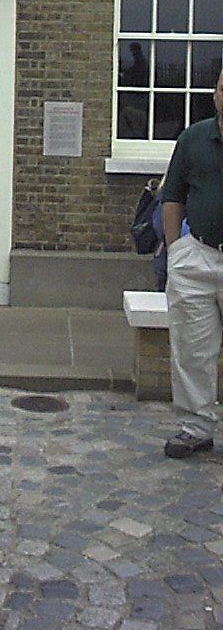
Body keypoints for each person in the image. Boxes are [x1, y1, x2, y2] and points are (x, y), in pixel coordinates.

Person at [162, 67, 223, 458]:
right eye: (222, 87)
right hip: (197, 256)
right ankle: (197, 427)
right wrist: (175, 251)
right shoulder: (194, 138)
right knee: (192, 350)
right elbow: (172, 195)